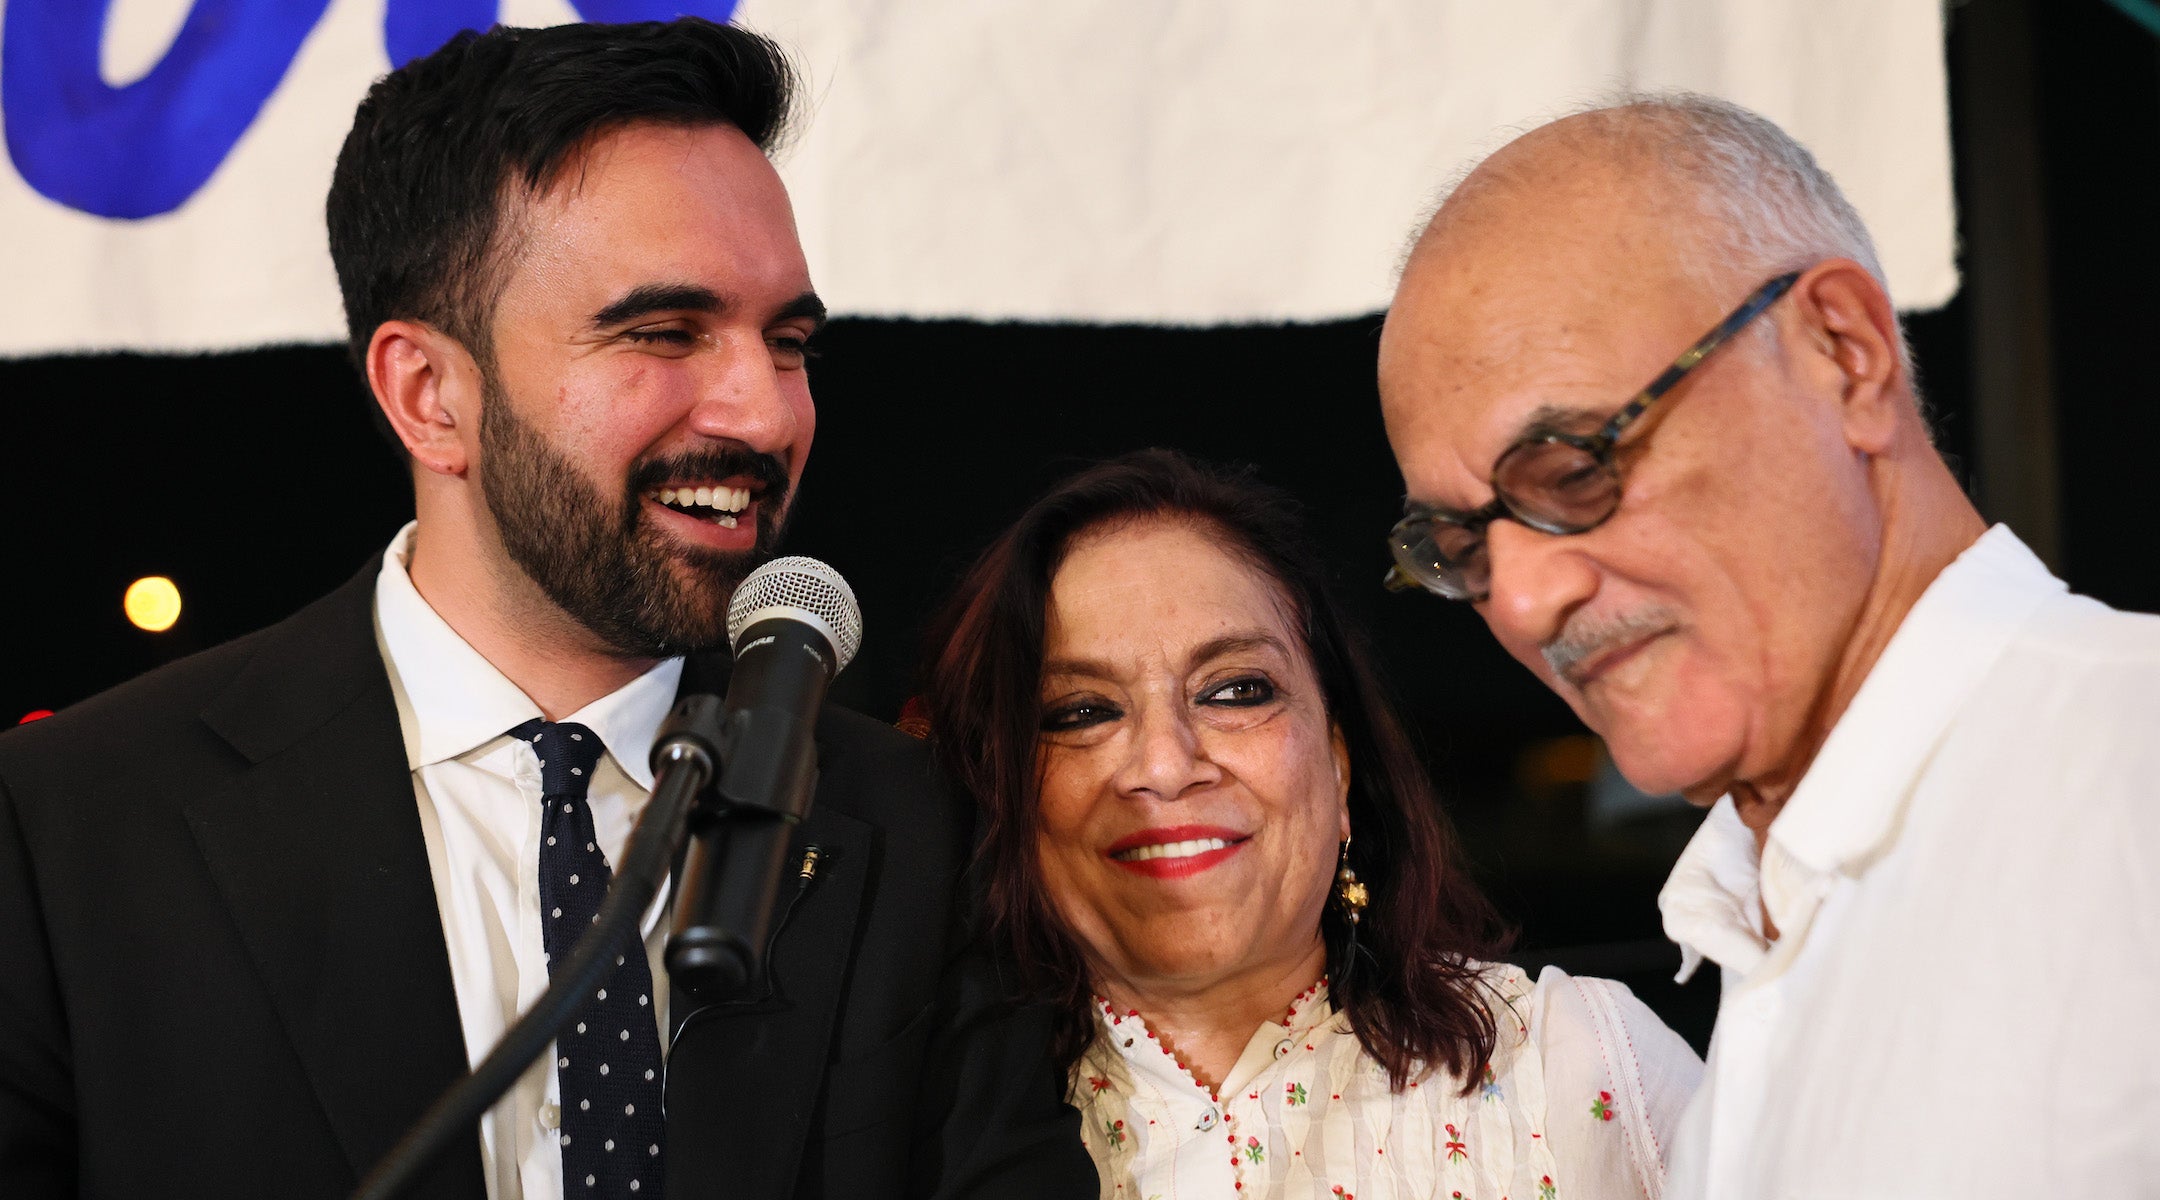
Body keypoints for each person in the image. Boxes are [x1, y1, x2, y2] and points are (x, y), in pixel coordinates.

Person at [0, 19, 1092, 1200]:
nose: (767, 413)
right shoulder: (69, 832)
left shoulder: (925, 833)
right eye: (663, 333)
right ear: (429, 395)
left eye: (787, 341)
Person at [1377, 93, 2160, 1196]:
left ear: (1845, 354)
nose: (1522, 601)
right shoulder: (1752, 935)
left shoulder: (2131, 776)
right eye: (1461, 546)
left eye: (1571, 471)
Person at [922, 449, 1701, 1200]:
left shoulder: (1576, 1066)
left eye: (1233, 692)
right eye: (1082, 711)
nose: (1164, 764)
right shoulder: (915, 1130)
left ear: (1339, 760)